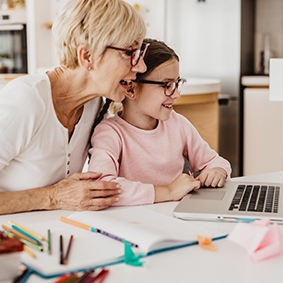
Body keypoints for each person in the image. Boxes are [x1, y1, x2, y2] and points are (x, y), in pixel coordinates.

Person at [0, 0, 148, 215]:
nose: (141, 66)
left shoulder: (95, 104)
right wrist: (53, 197)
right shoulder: (25, 99)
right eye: (129, 53)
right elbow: (59, 197)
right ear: (87, 56)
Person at [88, 38, 232, 206]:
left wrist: (217, 171)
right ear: (131, 88)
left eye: (177, 83)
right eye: (167, 85)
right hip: (132, 221)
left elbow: (215, 161)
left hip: (174, 214)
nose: (176, 94)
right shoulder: (110, 133)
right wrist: (169, 192)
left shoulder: (178, 124)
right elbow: (102, 188)